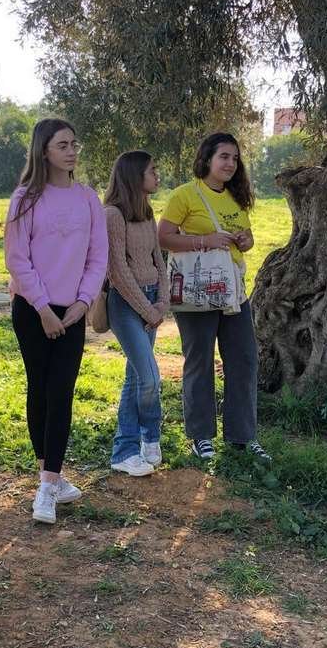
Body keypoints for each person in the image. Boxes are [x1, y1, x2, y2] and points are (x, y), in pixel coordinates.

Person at [4, 118, 107, 524]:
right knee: (41, 388)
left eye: (74, 144)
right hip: (33, 310)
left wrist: (83, 302)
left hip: (73, 309)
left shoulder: (87, 198)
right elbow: (17, 258)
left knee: (62, 391)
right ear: (43, 150)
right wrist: (44, 308)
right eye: (62, 145)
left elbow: (98, 255)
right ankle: (48, 471)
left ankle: (48, 484)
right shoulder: (25, 198)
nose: (71, 151)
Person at [158, 133, 270, 465]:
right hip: (197, 292)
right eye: (224, 156)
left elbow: (240, 242)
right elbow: (163, 237)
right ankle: (201, 437)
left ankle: (243, 436)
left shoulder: (236, 197)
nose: (230, 164)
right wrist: (205, 239)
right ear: (207, 159)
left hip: (233, 291)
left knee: (245, 359)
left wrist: (245, 241)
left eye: (235, 158)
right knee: (200, 360)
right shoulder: (185, 195)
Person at [103, 150, 168, 477]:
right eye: (152, 170)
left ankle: (126, 451)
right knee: (150, 377)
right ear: (134, 176)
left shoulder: (147, 212)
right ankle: (149, 434)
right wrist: (148, 310)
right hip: (126, 305)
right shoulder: (112, 215)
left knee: (136, 377)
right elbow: (117, 271)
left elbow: (160, 261)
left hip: (152, 301)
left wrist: (162, 304)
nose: (157, 175)